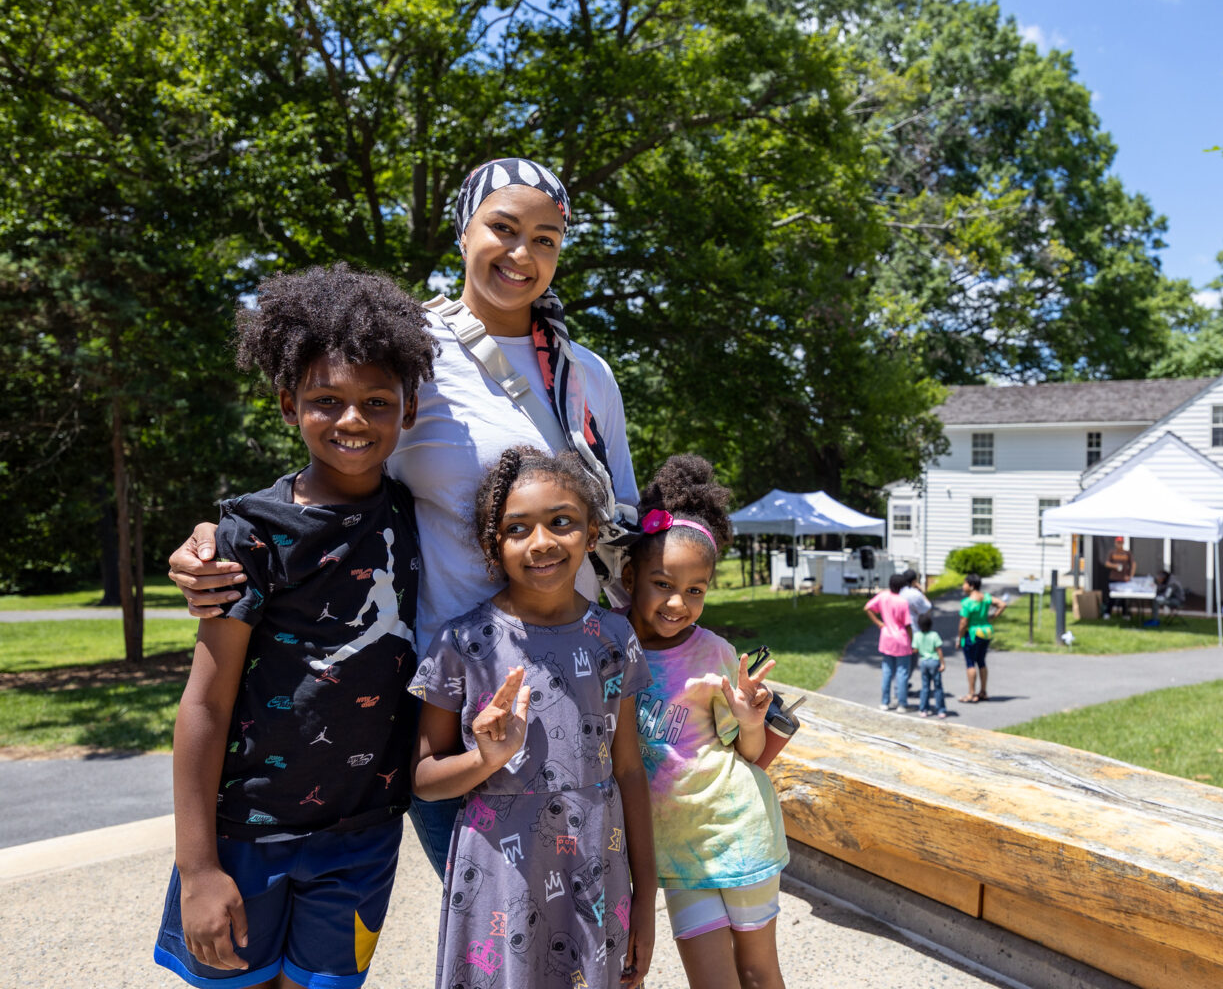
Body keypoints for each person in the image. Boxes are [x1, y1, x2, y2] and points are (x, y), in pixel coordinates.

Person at [166, 157, 638, 876]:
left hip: (571, 684)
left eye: (546, 238)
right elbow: (340, 458)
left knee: (577, 916)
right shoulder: (408, 350)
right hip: (448, 697)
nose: (523, 254)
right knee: (493, 920)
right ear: (463, 231)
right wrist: (218, 538)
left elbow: (622, 533)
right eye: (503, 228)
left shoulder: (587, 376)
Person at [152, 265, 437, 988]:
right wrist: (199, 867)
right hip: (247, 831)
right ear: (288, 405)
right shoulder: (254, 532)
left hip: (364, 833)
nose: (353, 420)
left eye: (377, 401)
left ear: (407, 410)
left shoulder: (420, 516)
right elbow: (205, 703)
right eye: (326, 400)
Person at [407, 445, 655, 989]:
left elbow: (630, 770)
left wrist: (645, 903)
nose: (541, 542)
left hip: (596, 867)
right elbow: (423, 782)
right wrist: (486, 759)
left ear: (591, 535)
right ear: (493, 547)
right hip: (499, 876)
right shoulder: (462, 643)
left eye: (561, 522)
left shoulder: (616, 639)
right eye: (517, 529)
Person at [621, 454, 790, 989]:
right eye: (663, 583)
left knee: (758, 973)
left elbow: (745, 751)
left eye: (696, 590)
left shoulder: (714, 651)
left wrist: (750, 719)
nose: (678, 602)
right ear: (630, 577)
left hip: (739, 831)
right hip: (676, 853)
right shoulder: (607, 646)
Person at [865, 573, 916, 712]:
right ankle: (901, 703)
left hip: (886, 637)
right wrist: (912, 642)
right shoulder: (902, 602)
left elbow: (867, 608)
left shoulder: (883, 596)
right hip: (901, 639)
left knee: (887, 671)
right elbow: (907, 625)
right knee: (902, 672)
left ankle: (884, 702)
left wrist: (879, 623)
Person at [955, 573, 1005, 703]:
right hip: (986, 632)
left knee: (970, 663)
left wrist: (960, 638)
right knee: (981, 661)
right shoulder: (986, 598)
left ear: (971, 586)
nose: (963, 586)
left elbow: (963, 622)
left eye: (964, 583)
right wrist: (992, 617)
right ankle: (983, 691)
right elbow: (1002, 604)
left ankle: (971, 693)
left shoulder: (967, 603)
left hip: (972, 633)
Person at [896, 569, 932, 707]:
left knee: (898, 664)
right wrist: (921, 591)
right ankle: (901, 690)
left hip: (896, 631)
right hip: (913, 631)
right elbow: (927, 608)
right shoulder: (915, 594)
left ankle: (899, 688)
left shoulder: (898, 592)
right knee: (910, 663)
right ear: (913, 581)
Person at [912, 612, 947, 719]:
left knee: (925, 687)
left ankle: (924, 709)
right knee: (938, 687)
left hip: (924, 661)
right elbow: (939, 649)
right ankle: (941, 710)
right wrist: (942, 663)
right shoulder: (934, 635)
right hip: (934, 661)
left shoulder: (917, 635)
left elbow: (915, 649)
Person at [1103, 536, 1136, 617]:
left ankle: (1124, 613)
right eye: (1118, 542)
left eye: (1121, 543)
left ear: (1123, 543)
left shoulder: (1127, 553)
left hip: (1124, 578)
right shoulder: (1112, 552)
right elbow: (1107, 563)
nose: (1119, 544)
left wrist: (1130, 576)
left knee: (1124, 598)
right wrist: (1115, 566)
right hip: (1113, 578)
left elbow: (1133, 564)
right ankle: (1108, 613)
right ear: (1115, 543)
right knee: (1112, 596)